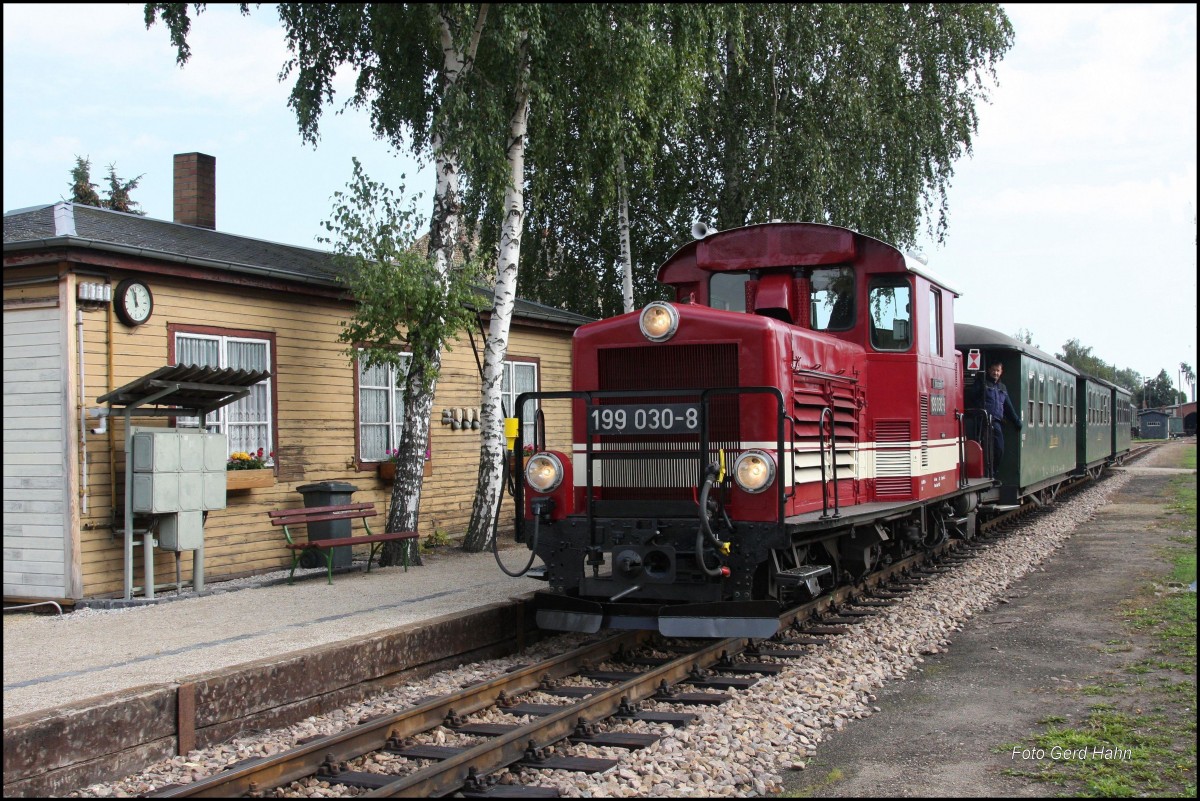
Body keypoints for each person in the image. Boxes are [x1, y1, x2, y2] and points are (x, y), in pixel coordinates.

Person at [968, 359, 1022, 478]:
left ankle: (993, 472)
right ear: (989, 370)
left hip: (996, 421)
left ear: (1001, 372)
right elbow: (971, 396)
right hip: (983, 421)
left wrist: (1016, 420)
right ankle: (985, 474)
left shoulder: (1002, 388)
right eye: (993, 370)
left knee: (999, 449)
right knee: (984, 448)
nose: (995, 373)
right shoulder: (982, 382)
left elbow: (1008, 406)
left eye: (997, 370)